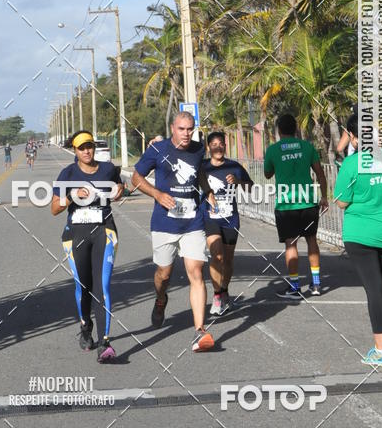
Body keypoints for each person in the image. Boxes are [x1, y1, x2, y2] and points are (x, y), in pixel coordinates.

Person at [132, 111, 216, 353]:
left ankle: (200, 330)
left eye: (190, 129)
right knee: (164, 274)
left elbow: (199, 172)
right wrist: (157, 194)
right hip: (164, 223)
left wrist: (208, 192)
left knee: (196, 271)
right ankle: (161, 299)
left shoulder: (198, 149)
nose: (186, 134)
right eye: (182, 129)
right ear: (172, 128)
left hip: (193, 221)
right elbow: (136, 178)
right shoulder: (158, 150)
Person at [333, 114, 382, 367]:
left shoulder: (351, 164)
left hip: (361, 234)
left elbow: (341, 201)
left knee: (374, 289)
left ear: (354, 137)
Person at [51, 130, 123, 363]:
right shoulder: (68, 173)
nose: (87, 151)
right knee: (84, 287)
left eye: (89, 146)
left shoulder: (108, 169)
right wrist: (72, 196)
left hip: (104, 230)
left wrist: (119, 191)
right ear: (75, 150)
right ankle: (85, 326)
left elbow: (119, 187)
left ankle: (105, 343)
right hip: (76, 234)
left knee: (102, 286)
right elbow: (54, 209)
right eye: (81, 148)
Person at [263, 114, 329, 299]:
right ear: (295, 128)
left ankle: (295, 286)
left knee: (291, 244)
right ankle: (316, 284)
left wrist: (280, 164)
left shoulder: (273, 150)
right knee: (312, 240)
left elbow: (267, 174)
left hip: (286, 205)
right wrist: (324, 197)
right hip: (308, 202)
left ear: (279, 130)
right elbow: (320, 173)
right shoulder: (307, 147)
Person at [202, 130, 253, 316]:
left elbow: (250, 188)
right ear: (209, 147)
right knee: (217, 256)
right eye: (214, 144)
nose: (218, 147)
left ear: (225, 146)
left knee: (228, 259)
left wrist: (238, 181)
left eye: (221, 144)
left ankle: (224, 291)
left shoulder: (234, 166)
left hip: (230, 218)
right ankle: (217, 296)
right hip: (210, 217)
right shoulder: (203, 167)